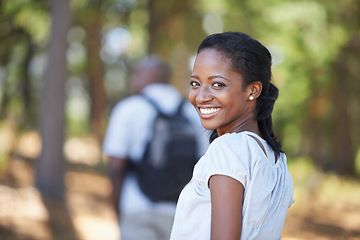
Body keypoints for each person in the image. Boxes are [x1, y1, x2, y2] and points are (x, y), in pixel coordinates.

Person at [170, 32, 294, 240]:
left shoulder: (228, 149)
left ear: (252, 90)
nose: (201, 96)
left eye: (218, 84)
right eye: (195, 83)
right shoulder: (277, 161)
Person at [102, 55, 208, 240]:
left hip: (137, 209)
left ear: (148, 77)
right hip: (180, 214)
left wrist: (116, 209)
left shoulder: (128, 109)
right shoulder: (193, 113)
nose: (132, 79)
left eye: (136, 74)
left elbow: (116, 166)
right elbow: (205, 166)